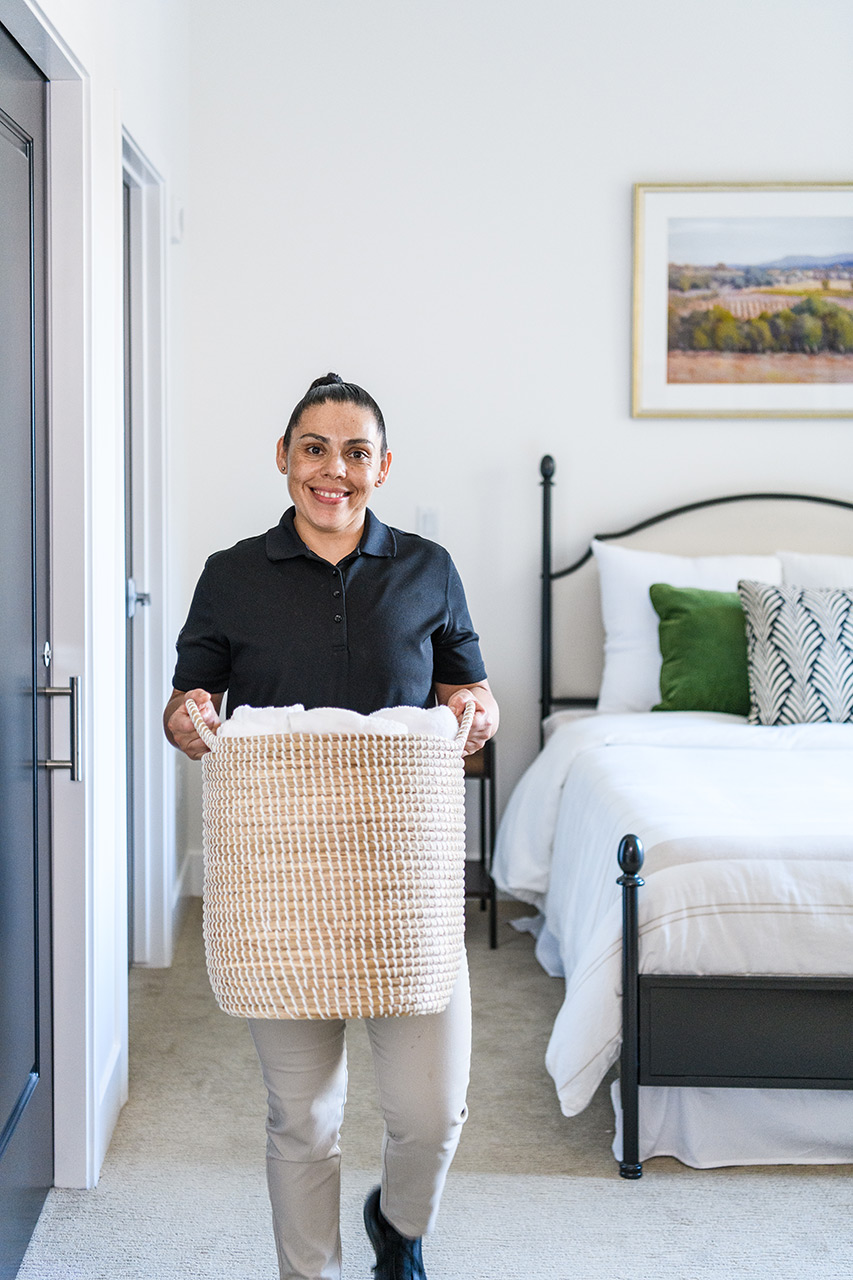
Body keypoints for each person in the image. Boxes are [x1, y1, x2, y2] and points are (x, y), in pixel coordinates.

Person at [164, 373, 498, 1280]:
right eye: (314, 448)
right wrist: (192, 715)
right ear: (283, 458)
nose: (333, 470)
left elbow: (467, 690)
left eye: (355, 453)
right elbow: (185, 707)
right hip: (284, 881)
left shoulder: (429, 568)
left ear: (381, 467)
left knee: (434, 1113)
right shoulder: (231, 575)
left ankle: (398, 1226)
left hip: (402, 881)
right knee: (301, 1114)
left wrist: (478, 712)